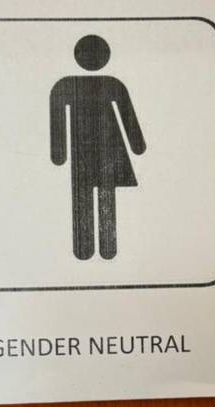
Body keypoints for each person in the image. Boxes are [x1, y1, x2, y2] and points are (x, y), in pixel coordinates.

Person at [50, 35, 146, 261]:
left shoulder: (71, 85)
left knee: (92, 196)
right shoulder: (107, 84)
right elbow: (58, 120)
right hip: (101, 151)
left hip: (99, 152)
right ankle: (95, 249)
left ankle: (96, 249)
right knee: (96, 196)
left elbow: (128, 117)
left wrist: (59, 153)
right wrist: (137, 145)